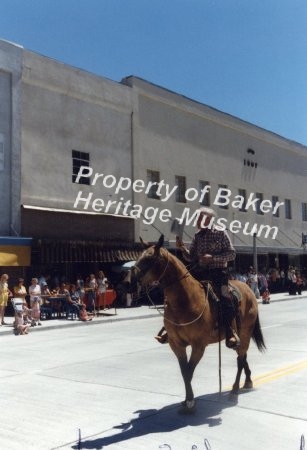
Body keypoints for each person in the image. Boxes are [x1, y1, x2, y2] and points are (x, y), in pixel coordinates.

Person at [155, 207, 239, 349]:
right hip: (200, 272)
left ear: (208, 219)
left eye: (199, 218)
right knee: (178, 293)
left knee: (225, 297)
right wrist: (182, 249)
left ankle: (230, 331)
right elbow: (191, 257)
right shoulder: (197, 236)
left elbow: (232, 254)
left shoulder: (220, 233)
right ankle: (170, 329)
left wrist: (212, 258)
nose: (196, 221)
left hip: (218, 272)